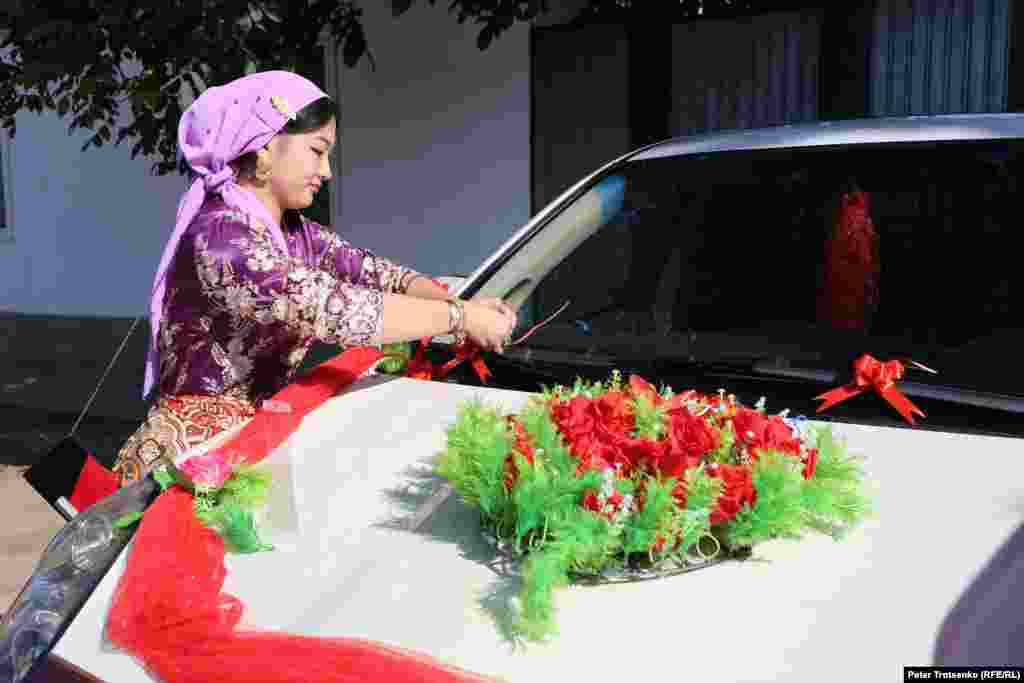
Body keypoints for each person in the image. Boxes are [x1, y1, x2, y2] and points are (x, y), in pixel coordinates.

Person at [112, 71, 516, 486]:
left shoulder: (293, 232)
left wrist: (460, 302)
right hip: (191, 461)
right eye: (317, 151)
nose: (326, 172)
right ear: (265, 148)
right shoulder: (221, 240)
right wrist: (458, 318)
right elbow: (334, 310)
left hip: (249, 444)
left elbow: (374, 273)